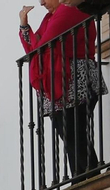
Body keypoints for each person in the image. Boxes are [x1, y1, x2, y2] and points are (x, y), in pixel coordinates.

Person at [21, 0, 102, 179]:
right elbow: (33, 51)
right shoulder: (50, 18)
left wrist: (26, 29)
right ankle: (81, 177)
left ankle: (91, 176)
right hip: (61, 83)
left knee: (73, 132)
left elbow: (40, 47)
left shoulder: (68, 11)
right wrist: (24, 25)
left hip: (74, 82)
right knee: (70, 134)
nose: (41, 3)